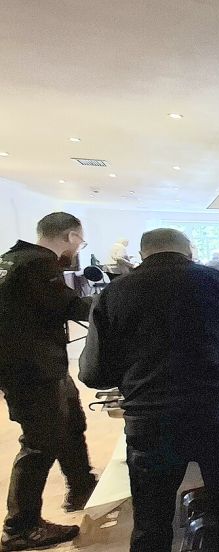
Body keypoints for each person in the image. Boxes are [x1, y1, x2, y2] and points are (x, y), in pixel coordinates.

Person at [80, 228, 219, 551]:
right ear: (189, 252)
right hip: (218, 415)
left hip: (152, 423)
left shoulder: (114, 293)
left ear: (142, 255)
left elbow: (93, 373)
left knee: (151, 523)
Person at [0, 213, 97, 551]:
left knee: (71, 423)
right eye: (80, 242)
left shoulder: (12, 259)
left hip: (32, 364)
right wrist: (117, 301)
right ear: (70, 236)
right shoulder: (39, 264)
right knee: (40, 443)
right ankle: (20, 527)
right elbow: (72, 307)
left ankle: (81, 486)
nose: (78, 248)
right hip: (32, 369)